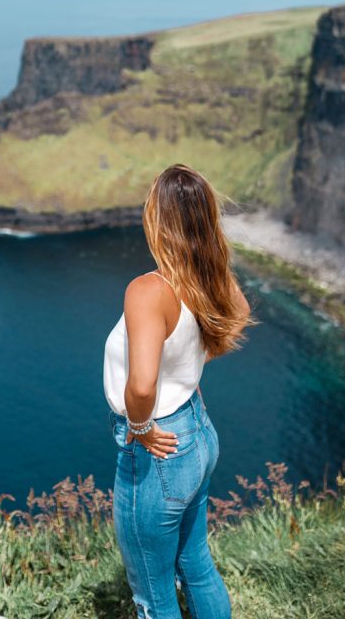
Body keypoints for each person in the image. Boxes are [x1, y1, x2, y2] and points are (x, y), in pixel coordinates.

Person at [103, 163, 254, 619]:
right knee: (196, 564)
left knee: (153, 590)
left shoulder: (148, 290)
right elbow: (238, 317)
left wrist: (140, 427)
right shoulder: (208, 276)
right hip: (197, 432)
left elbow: (142, 383)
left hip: (160, 448)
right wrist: (189, 372)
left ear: (157, 220)